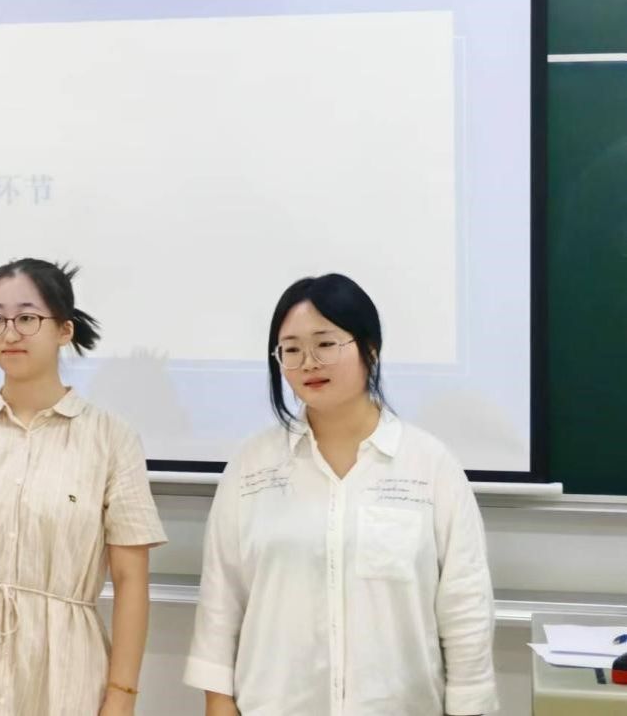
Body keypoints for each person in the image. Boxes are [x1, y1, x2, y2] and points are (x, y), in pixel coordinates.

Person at [184, 273, 497, 715]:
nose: (308, 362)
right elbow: (221, 596)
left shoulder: (429, 466)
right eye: (291, 349)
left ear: (370, 348)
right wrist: (218, 701)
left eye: (326, 344)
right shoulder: (252, 467)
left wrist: (469, 706)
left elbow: (465, 604)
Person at [0, 258, 166, 716]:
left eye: (26, 318)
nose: (10, 333)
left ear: (64, 329)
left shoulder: (110, 439)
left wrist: (122, 696)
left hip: (64, 673)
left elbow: (130, 578)